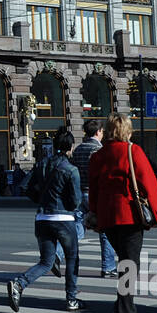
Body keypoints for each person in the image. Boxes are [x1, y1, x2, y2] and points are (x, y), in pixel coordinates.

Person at [86, 114, 157, 313]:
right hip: (130, 216)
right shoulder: (133, 151)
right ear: (127, 131)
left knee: (124, 264)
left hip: (107, 218)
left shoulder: (98, 156)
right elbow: (149, 184)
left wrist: (94, 213)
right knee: (129, 268)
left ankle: (120, 311)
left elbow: (93, 189)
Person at [8, 129, 82, 311]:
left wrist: (41, 199)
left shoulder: (41, 164)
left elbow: (24, 186)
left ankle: (19, 283)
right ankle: (71, 299)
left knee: (46, 262)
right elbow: (76, 201)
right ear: (71, 147)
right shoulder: (71, 170)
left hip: (42, 218)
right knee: (72, 257)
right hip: (63, 218)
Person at [68, 119, 117, 279]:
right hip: (95, 193)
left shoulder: (78, 149)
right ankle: (108, 267)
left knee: (78, 228)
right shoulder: (99, 149)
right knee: (105, 230)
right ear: (98, 132)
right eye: (102, 132)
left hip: (79, 193)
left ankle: (58, 254)